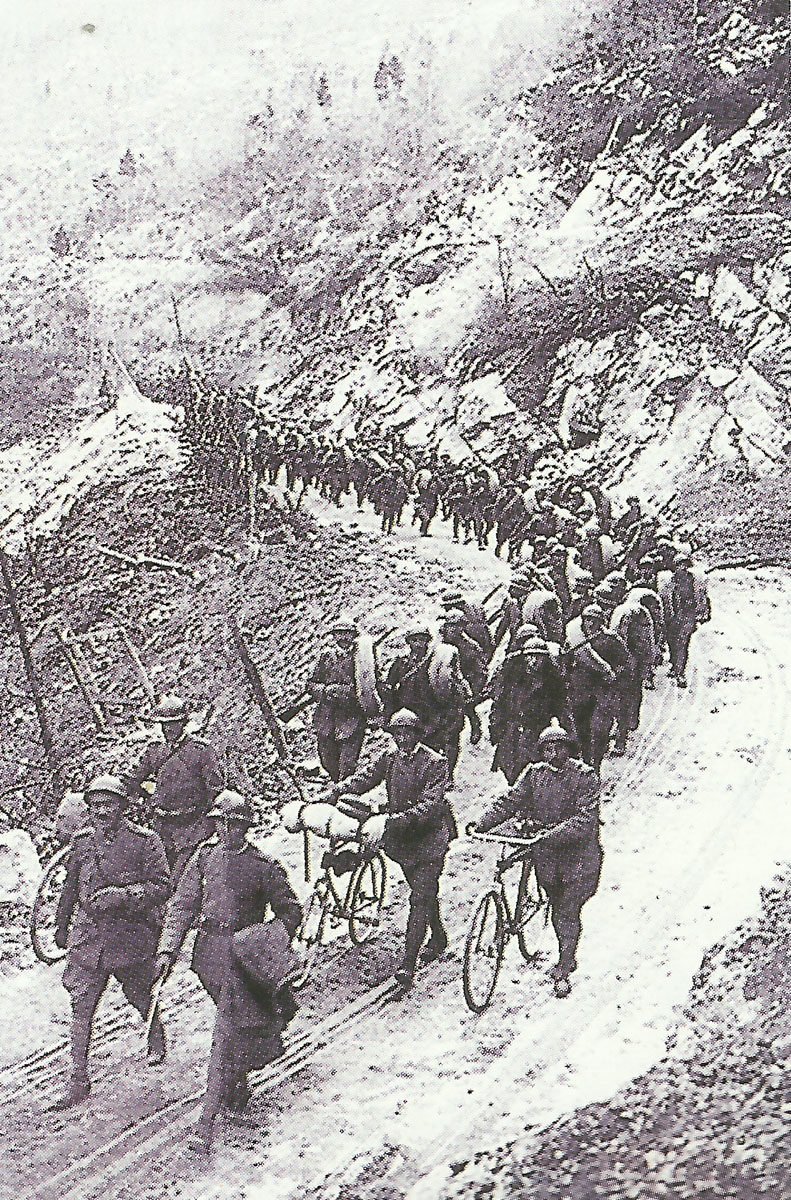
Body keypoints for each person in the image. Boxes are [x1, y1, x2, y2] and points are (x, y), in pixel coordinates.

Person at [156, 791, 301, 1152]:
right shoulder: (203, 859)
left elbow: (290, 913)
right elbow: (182, 905)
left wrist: (261, 943)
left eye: (234, 824)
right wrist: (167, 948)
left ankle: (205, 1124)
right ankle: (236, 1087)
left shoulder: (264, 866)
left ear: (246, 827)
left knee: (223, 1033)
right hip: (208, 957)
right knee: (235, 1026)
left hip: (243, 961)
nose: (226, 831)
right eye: (221, 823)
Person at [52, 775, 170, 1109]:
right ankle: (78, 1079)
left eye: (109, 805)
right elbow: (70, 888)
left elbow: (162, 886)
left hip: (129, 936)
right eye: (96, 805)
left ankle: (155, 1032)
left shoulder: (145, 841)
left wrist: (123, 895)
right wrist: (61, 926)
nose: (103, 811)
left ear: (123, 807)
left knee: (139, 992)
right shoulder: (82, 842)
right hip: (89, 939)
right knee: (81, 1005)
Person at [327, 709, 456, 992]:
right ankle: (439, 937)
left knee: (419, 898)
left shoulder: (435, 763)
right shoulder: (390, 758)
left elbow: (429, 808)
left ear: (418, 734)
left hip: (430, 840)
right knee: (423, 892)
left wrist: (389, 820)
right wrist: (333, 794)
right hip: (403, 841)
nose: (402, 739)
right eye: (397, 734)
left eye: (408, 733)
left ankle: (407, 967)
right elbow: (364, 779)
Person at [471, 724, 602, 998]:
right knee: (555, 903)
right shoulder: (534, 774)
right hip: (548, 856)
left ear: (568, 750)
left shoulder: (585, 777)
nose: (551, 754)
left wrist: (548, 835)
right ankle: (565, 950)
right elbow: (510, 801)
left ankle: (565, 966)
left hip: (579, 858)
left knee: (566, 911)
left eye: (557, 748)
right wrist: (482, 823)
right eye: (546, 749)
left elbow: (584, 821)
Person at [127, 694, 222, 885]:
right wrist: (143, 799)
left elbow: (216, 790)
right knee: (157, 878)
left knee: (182, 880)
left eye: (173, 723)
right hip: (161, 827)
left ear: (184, 723)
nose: (168, 728)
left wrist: (215, 824)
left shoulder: (201, 750)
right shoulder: (155, 750)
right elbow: (132, 778)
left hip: (193, 827)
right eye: (164, 724)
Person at [489, 629, 567, 783]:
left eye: (539, 657)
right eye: (531, 656)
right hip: (511, 732)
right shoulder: (513, 678)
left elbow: (562, 709)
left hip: (535, 732)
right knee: (510, 769)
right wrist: (495, 728)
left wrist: (567, 736)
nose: (534, 661)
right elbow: (499, 705)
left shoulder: (552, 682)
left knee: (532, 771)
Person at [566, 604, 630, 770]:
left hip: (604, 692)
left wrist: (614, 674)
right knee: (580, 731)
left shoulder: (612, 639)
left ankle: (595, 766)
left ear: (601, 622)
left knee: (600, 730)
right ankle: (585, 764)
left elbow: (626, 663)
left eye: (594, 620)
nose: (590, 624)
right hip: (580, 692)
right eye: (587, 620)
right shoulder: (576, 640)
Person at [307, 614, 369, 781]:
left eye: (347, 633)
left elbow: (369, 684)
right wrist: (326, 691)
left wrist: (347, 693)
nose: (343, 637)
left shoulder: (362, 658)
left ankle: (344, 793)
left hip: (351, 717)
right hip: (326, 718)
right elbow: (311, 684)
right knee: (327, 760)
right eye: (339, 633)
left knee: (348, 764)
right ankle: (336, 785)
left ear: (354, 635)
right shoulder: (326, 657)